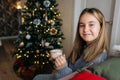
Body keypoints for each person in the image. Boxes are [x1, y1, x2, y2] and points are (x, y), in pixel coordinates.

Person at [54, 8, 109, 79]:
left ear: (101, 27)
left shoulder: (98, 57)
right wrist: (59, 61)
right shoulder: (81, 46)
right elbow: (70, 65)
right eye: (82, 25)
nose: (85, 29)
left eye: (91, 25)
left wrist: (62, 68)